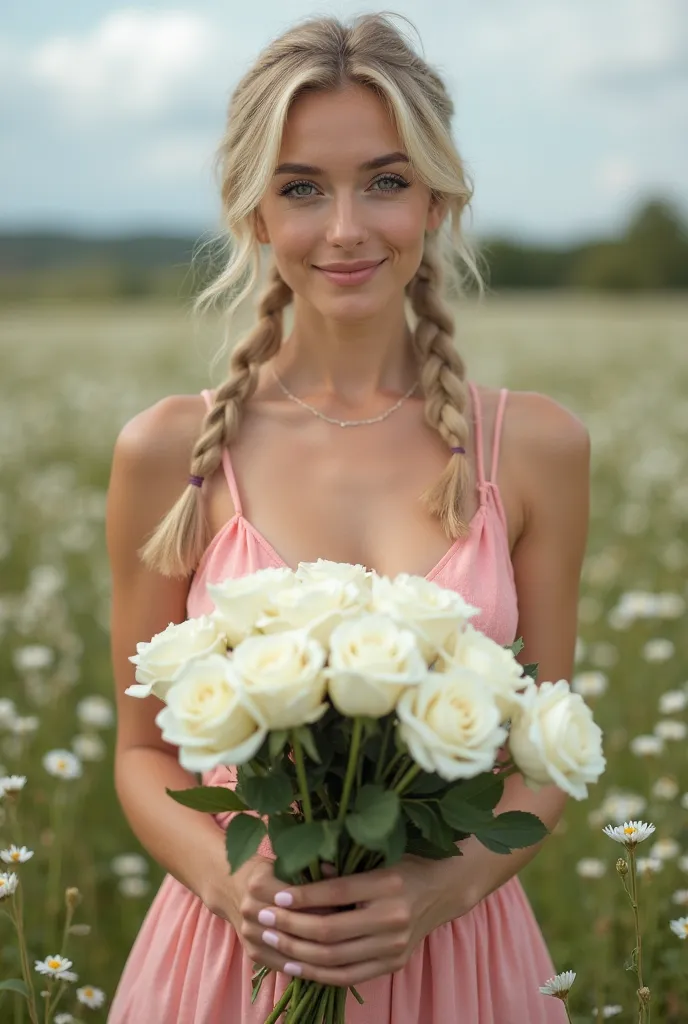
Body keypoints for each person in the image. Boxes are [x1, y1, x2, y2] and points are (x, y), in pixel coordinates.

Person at [106, 11, 589, 1023]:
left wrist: (434, 890)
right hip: (231, 959)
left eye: (384, 180)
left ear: (437, 198)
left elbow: (546, 751)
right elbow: (143, 750)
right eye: (300, 189)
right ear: (253, 213)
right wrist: (228, 879)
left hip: (464, 963)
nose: (345, 228)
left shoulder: (534, 448)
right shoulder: (170, 454)